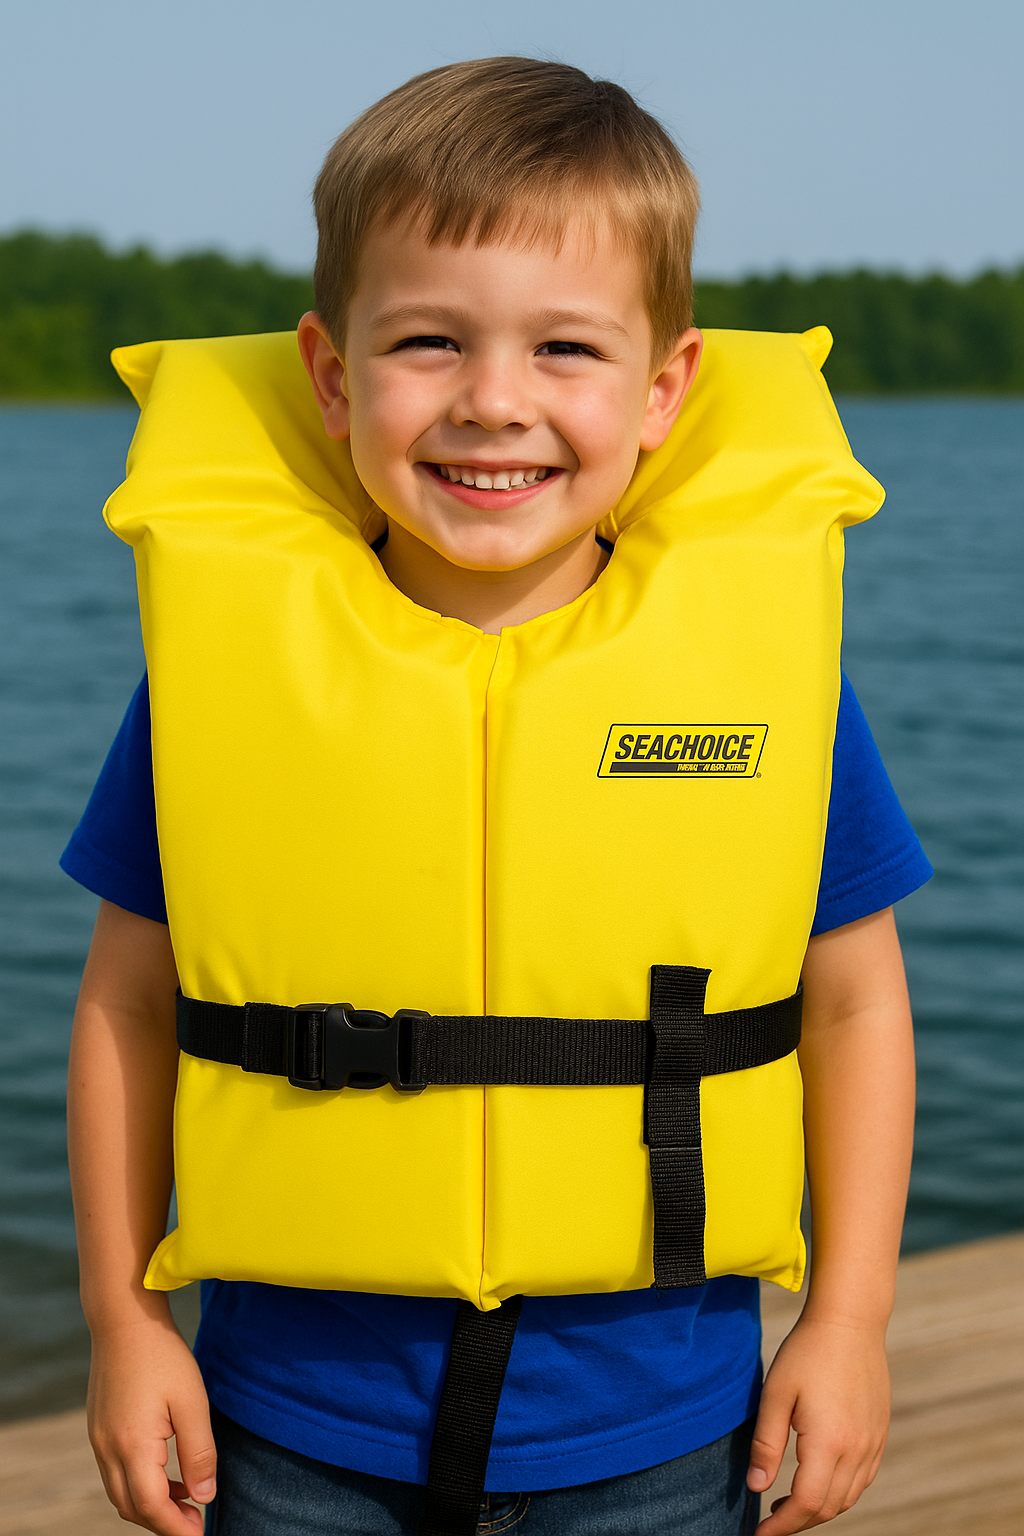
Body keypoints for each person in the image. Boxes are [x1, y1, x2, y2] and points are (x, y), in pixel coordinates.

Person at [63, 57, 929, 1536]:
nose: (492, 404)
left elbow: (853, 1006)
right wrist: (124, 1323)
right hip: (290, 1427)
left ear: (666, 390)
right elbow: (129, 1006)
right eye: (428, 342)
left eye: (566, 352)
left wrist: (847, 1324)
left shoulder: (766, 685)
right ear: (332, 377)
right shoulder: (220, 688)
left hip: (652, 1432)